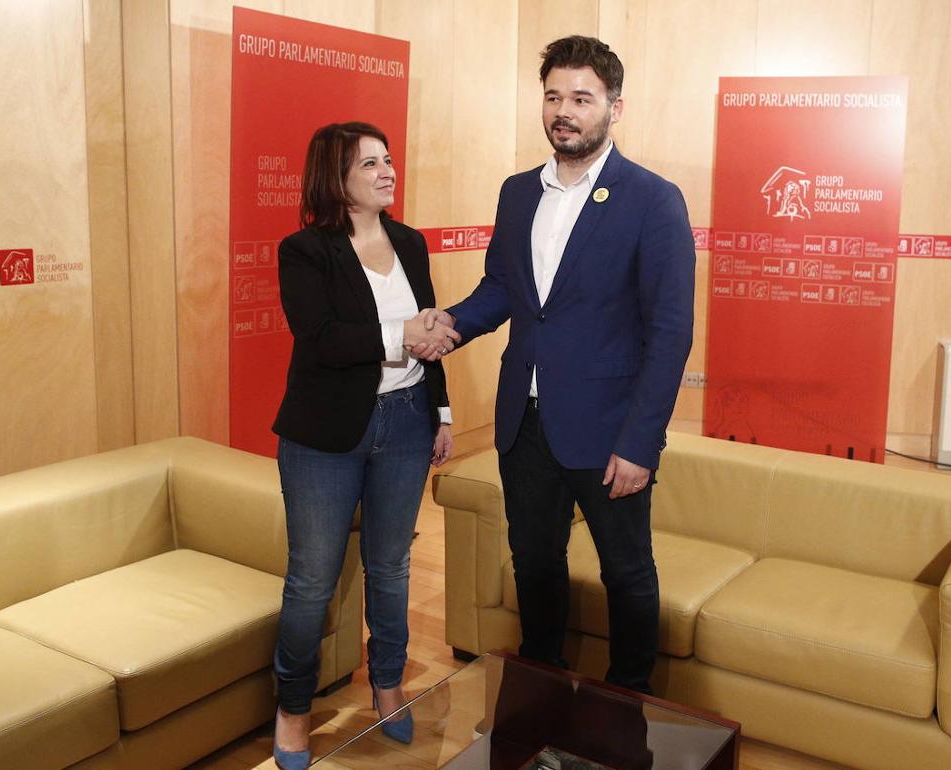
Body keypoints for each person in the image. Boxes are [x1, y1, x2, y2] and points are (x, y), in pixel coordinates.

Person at [422, 36, 694, 694]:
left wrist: (641, 442)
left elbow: (670, 333)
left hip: (608, 431)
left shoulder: (653, 199)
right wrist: (447, 327)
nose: (563, 111)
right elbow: (503, 291)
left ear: (614, 107)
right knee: (535, 563)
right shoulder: (518, 193)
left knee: (625, 571)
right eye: (552, 97)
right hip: (525, 424)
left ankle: (629, 699)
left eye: (581, 98)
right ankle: (543, 687)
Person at [270, 121, 461, 770]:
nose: (388, 172)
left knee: (391, 567)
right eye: (371, 164)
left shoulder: (410, 242)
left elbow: (431, 331)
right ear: (337, 179)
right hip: (325, 434)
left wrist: (441, 410)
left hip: (406, 422)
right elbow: (321, 339)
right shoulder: (304, 251)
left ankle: (387, 684)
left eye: (389, 160)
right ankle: (293, 710)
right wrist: (400, 334)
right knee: (312, 582)